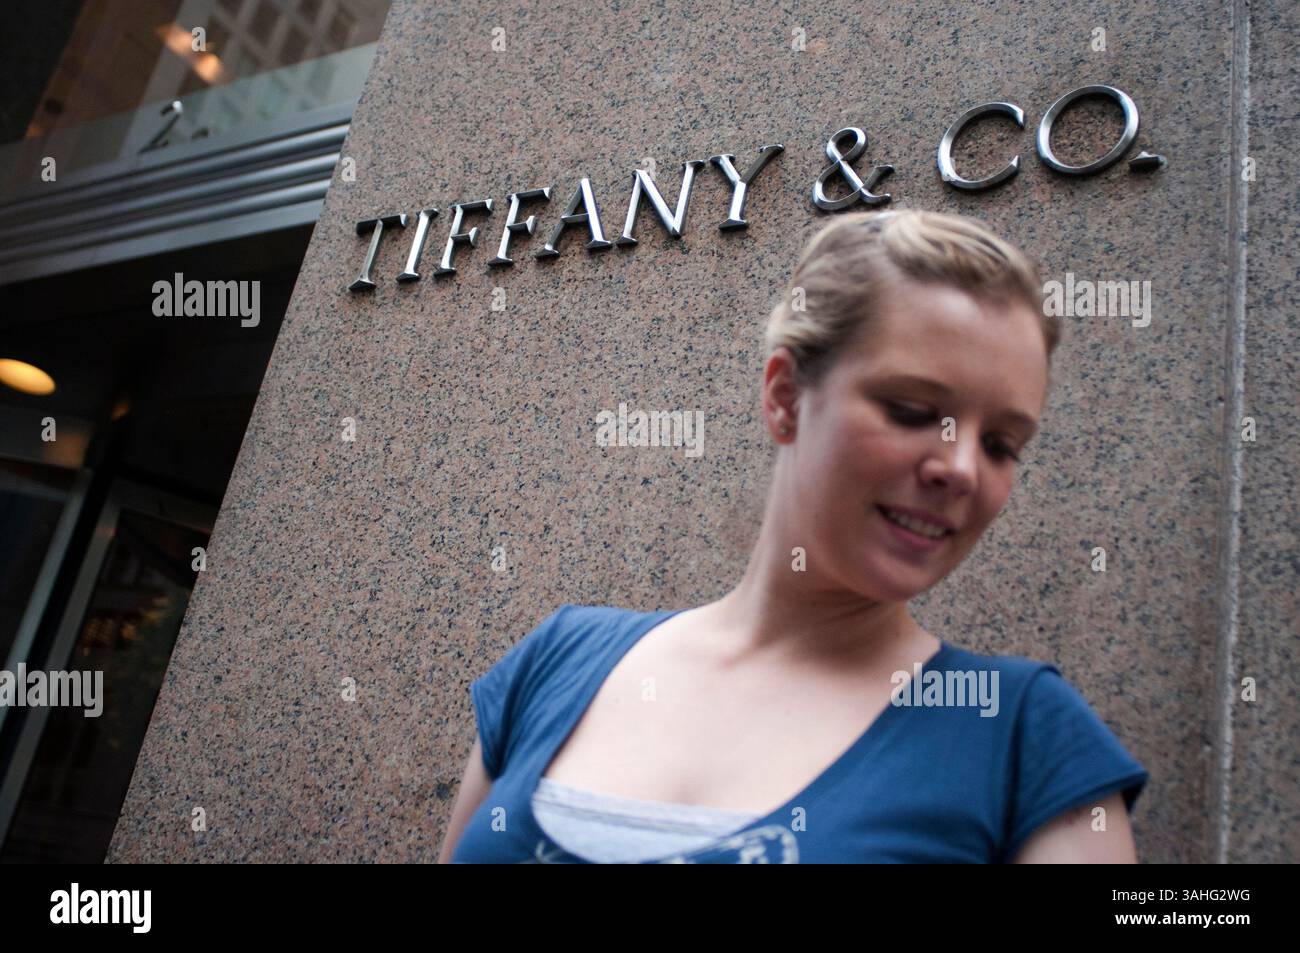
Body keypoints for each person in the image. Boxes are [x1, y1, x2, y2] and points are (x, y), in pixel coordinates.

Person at [437, 209, 1149, 863]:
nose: (961, 469)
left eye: (1001, 444)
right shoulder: (559, 661)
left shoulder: (1026, 739)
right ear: (784, 397)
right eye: (910, 409)